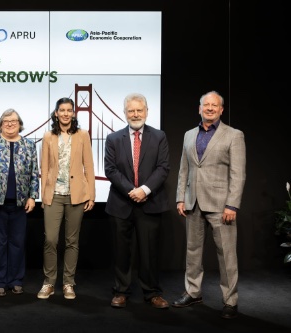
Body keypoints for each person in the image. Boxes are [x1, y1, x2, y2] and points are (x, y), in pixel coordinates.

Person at [172, 90, 246, 319]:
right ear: (199, 108)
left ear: (221, 110)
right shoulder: (188, 135)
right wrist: (180, 197)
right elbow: (184, 169)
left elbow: (238, 173)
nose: (210, 108)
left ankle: (230, 301)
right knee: (192, 252)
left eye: (215, 105)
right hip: (193, 202)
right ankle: (193, 292)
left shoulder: (234, 135)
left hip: (221, 205)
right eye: (206, 105)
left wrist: (232, 205)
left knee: (227, 255)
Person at [104, 93, 170, 309]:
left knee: (149, 252)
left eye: (139, 110)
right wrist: (132, 190)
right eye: (131, 110)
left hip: (150, 203)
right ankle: (121, 292)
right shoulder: (113, 139)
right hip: (121, 203)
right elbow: (110, 169)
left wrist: (144, 190)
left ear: (146, 112)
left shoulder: (159, 137)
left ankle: (152, 293)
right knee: (121, 252)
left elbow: (163, 168)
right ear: (125, 113)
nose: (135, 114)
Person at [37, 97, 96, 300]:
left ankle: (69, 283)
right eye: (61, 110)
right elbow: (44, 168)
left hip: (76, 195)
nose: (65, 113)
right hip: (54, 195)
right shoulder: (48, 136)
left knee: (72, 241)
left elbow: (89, 166)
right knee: (51, 240)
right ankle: (49, 283)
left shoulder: (82, 135)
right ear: (56, 113)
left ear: (73, 113)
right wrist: (43, 196)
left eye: (68, 110)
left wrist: (91, 194)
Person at [0, 108, 39, 297]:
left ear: (20, 124)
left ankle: (16, 280)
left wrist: (32, 196)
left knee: (17, 243)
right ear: (0, 124)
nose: (10, 124)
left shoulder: (29, 145)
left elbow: (34, 172)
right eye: (6, 121)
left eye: (13, 121)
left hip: (20, 203)